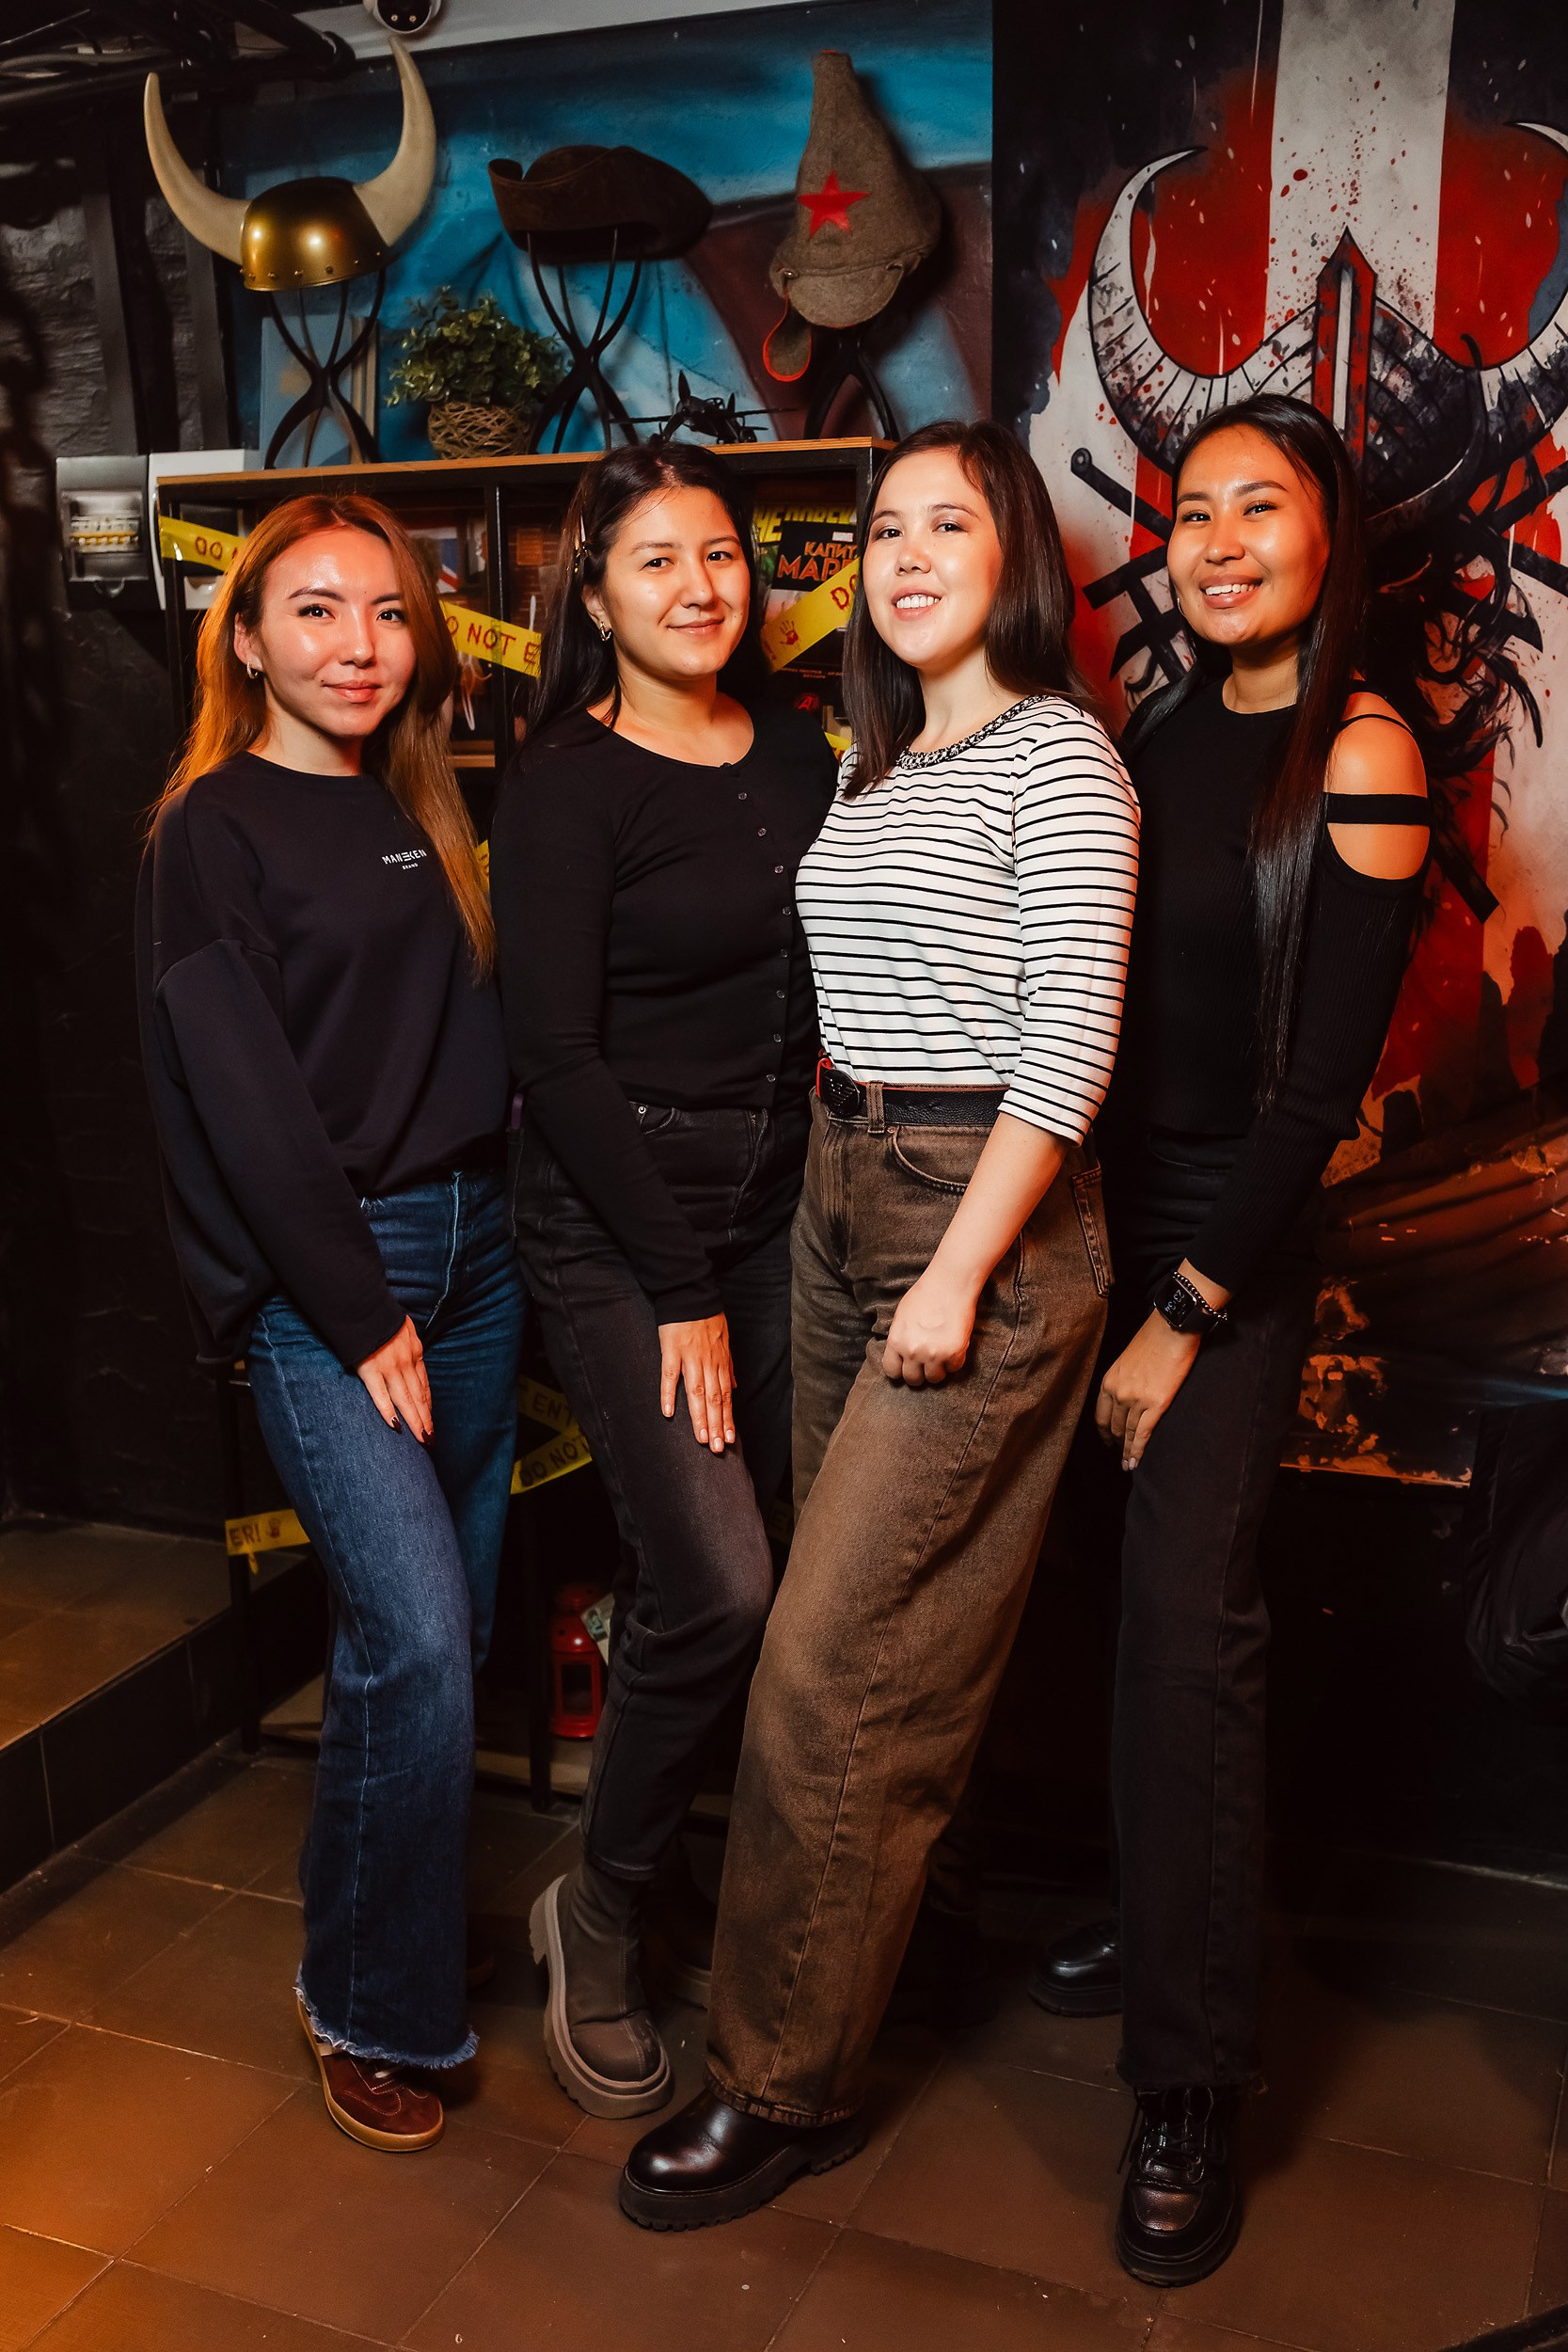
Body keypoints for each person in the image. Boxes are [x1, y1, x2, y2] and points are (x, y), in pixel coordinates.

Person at [620, 418, 1140, 2227]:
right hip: (842, 1196)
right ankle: (888, 1954)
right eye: (884, 528)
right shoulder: (876, 757)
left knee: (831, 1664)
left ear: (1017, 558)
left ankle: (782, 2084)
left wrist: (958, 1270)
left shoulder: (1059, 755)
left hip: (968, 1218)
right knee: (895, 1648)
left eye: (949, 525)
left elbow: (1067, 1043)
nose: (906, 556)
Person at [1028, 394, 1430, 2285]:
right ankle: (1166, 1906)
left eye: (1260, 509)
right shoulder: (1157, 734)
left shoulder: (1362, 753)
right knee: (1119, 1606)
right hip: (1097, 1211)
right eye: (1194, 513)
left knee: (1195, 1626)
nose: (1219, 542)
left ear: (1328, 540)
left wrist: (1184, 1314)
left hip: (1225, 1247)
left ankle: (1188, 2084)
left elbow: (1316, 1103)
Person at [136, 493, 521, 2153]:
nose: (358, 644)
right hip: (335, 1281)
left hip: (481, 1255)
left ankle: (389, 1934)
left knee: (438, 1638)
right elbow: (241, 1096)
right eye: (314, 610)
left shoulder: (414, 800)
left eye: (385, 612)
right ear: (244, 640)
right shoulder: (208, 829)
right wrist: (358, 1310)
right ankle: (368, 2000)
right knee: (417, 1638)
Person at [490, 446, 837, 2120]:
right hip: (622, 1227)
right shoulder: (566, 782)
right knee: (716, 1584)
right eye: (656, 560)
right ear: (596, 591)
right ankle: (601, 1906)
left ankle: (675, 1866)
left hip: (776, 1212)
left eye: (721, 554)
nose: (699, 587)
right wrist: (681, 1282)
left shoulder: (796, 744)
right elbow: (553, 1057)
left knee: (756, 1568)